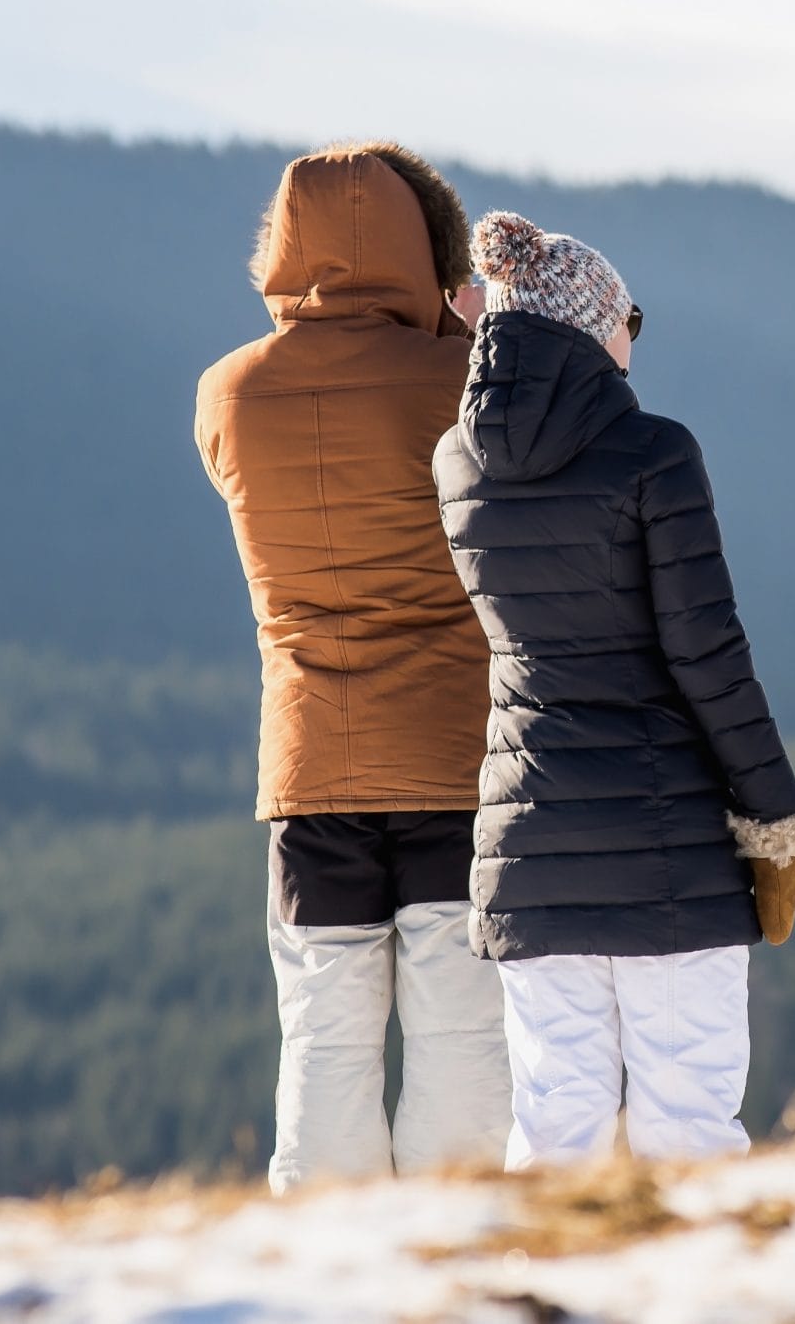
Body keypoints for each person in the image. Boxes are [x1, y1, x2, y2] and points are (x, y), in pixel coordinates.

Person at [435, 210, 795, 1167]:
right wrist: (774, 816)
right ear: (589, 328)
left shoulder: (456, 463)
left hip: (529, 851)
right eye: (627, 319)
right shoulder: (657, 456)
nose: (633, 339)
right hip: (669, 854)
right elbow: (708, 655)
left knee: (556, 1132)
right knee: (686, 1133)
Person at [194, 143, 512, 1192]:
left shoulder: (228, 393)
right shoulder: (462, 379)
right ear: (425, 251)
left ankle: (322, 1264)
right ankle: (450, 1253)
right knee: (461, 1034)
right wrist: (464, 332)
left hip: (308, 769)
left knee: (324, 1035)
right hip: (452, 757)